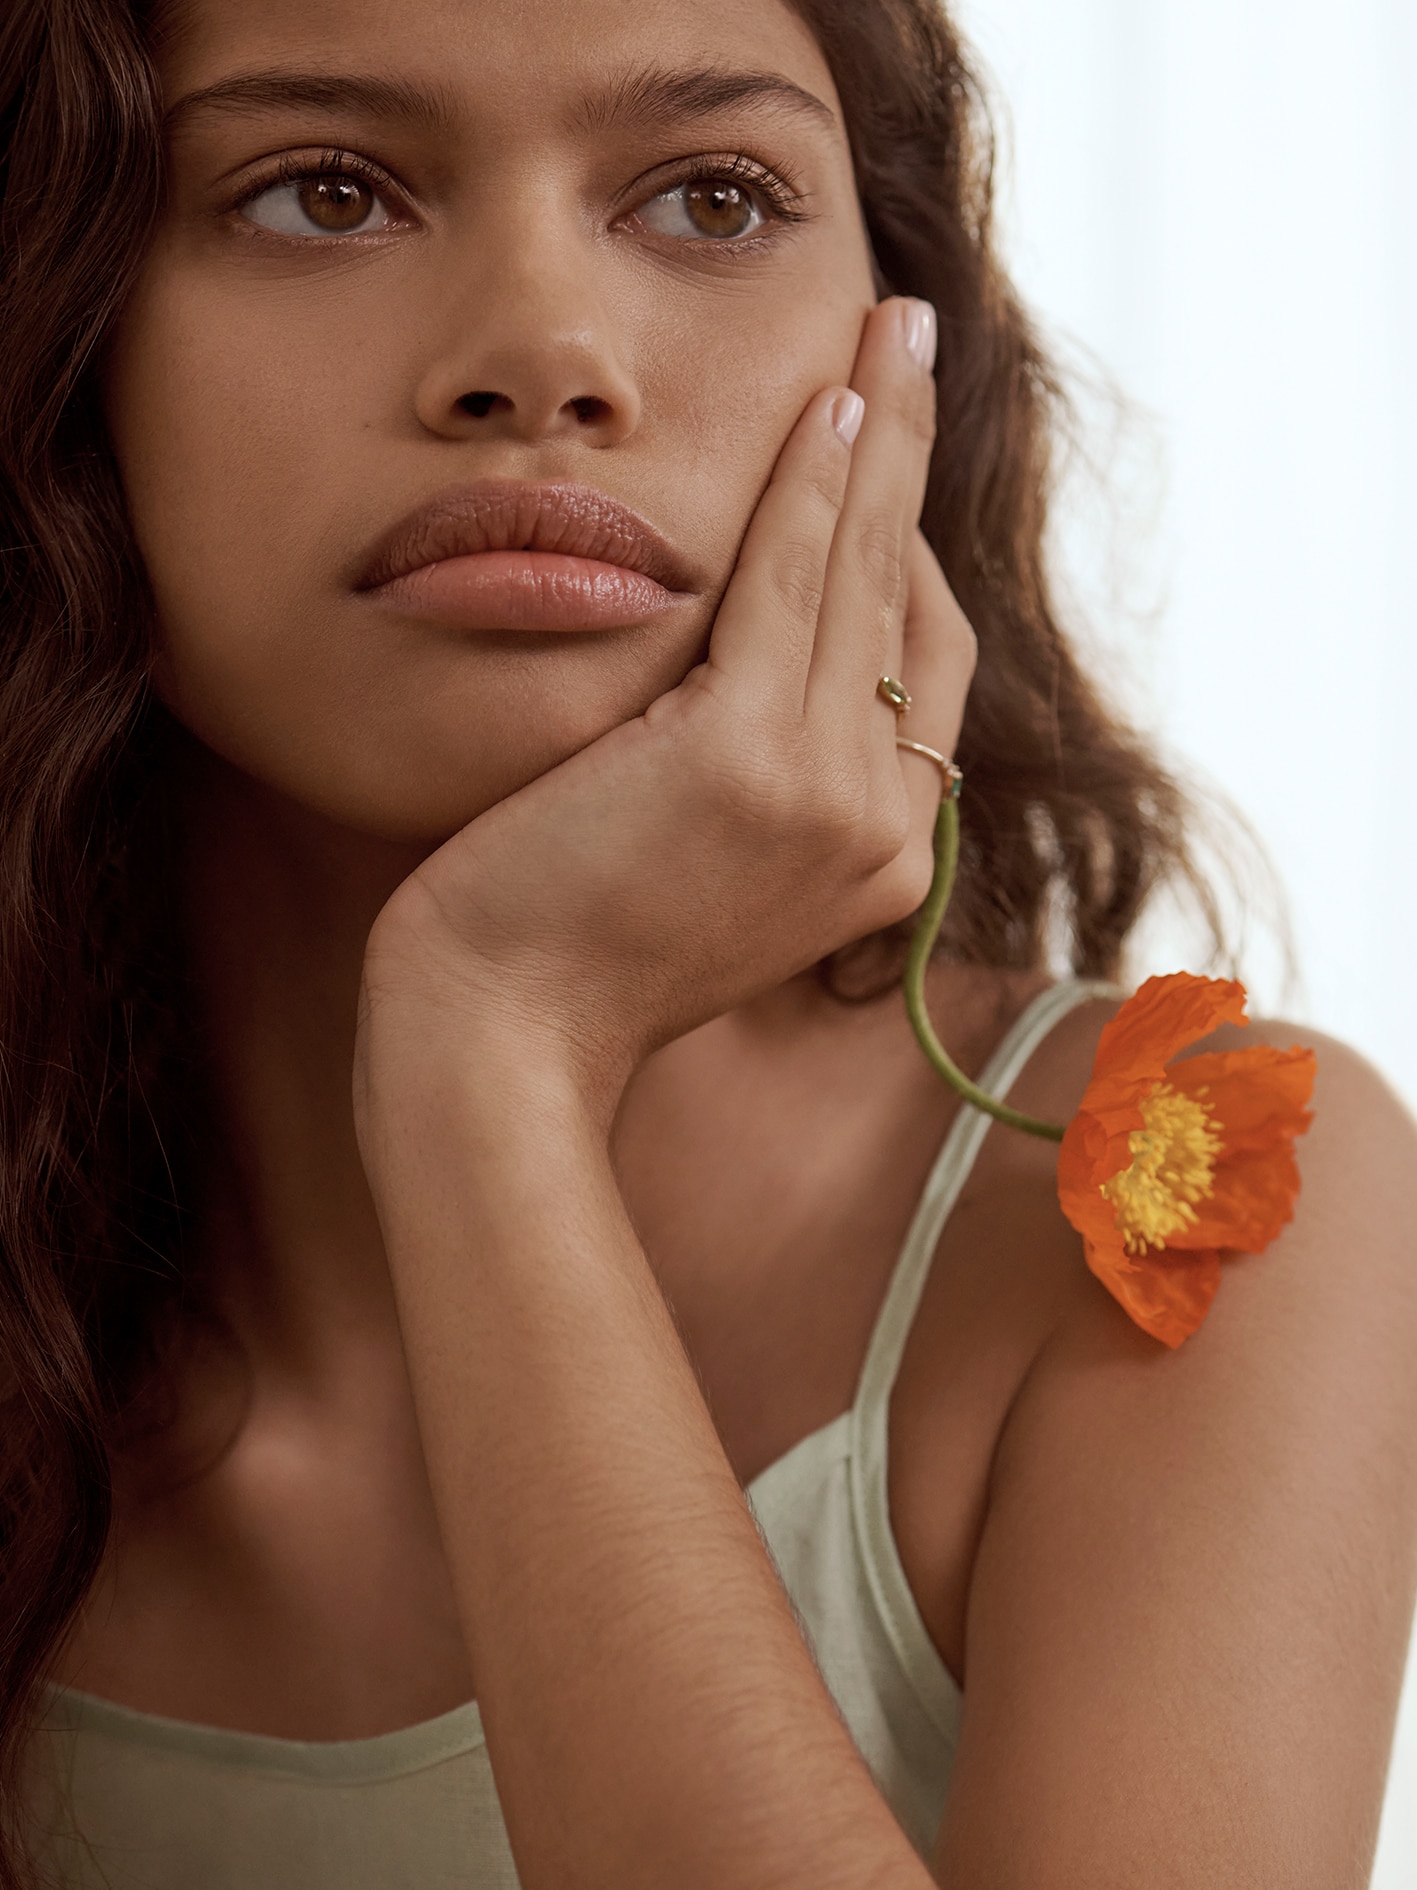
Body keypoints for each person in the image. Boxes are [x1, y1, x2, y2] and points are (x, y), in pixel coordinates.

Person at [2, 0, 1415, 1884]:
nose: (542, 354)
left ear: (905, 351)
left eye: (714, 198)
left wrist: (491, 1055)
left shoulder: (1190, 1205)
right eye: (322, 192)